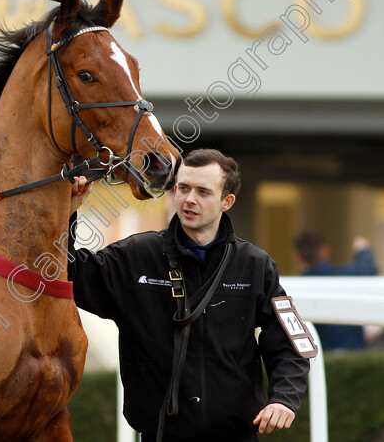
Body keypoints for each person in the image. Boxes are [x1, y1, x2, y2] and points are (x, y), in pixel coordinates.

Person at [68, 149, 310, 442]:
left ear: (227, 201)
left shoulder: (255, 265)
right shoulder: (136, 256)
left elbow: (290, 344)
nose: (189, 199)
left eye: (203, 192)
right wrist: (67, 211)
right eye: (183, 188)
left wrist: (284, 398)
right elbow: (68, 272)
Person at [294, 228, 378, 351]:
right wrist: (363, 250)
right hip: (354, 354)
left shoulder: (296, 288)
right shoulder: (343, 276)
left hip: (322, 356)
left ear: (297, 256)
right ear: (325, 251)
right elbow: (367, 270)